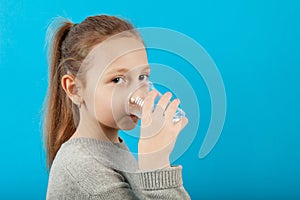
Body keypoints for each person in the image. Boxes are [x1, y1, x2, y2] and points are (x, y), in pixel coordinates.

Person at [43, 14, 190, 199]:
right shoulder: (82, 167)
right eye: (117, 80)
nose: (137, 93)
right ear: (75, 89)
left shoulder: (111, 149)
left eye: (142, 77)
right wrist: (156, 162)